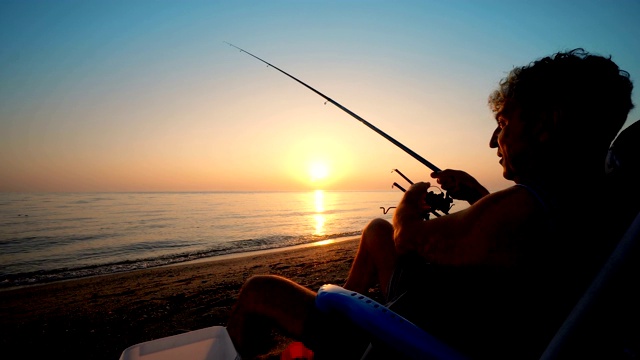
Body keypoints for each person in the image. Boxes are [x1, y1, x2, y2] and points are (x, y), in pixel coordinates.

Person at [225, 48, 635, 359]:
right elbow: (516, 239)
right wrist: (476, 193)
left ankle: (337, 335)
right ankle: (334, 320)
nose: (494, 141)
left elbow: (410, 239)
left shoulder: (522, 212)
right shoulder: (597, 199)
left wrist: (410, 201)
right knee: (376, 229)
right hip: (465, 317)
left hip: (414, 339)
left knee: (259, 289)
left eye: (504, 124)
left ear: (546, 125)